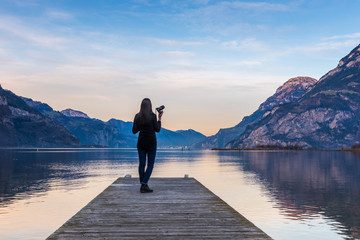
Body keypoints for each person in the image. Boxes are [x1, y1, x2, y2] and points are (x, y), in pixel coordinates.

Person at [132, 98, 163, 193]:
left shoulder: (137, 116)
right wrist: (159, 118)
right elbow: (157, 129)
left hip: (141, 143)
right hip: (151, 143)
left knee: (141, 164)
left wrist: (139, 124)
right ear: (150, 106)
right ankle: (144, 184)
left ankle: (143, 184)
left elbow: (134, 131)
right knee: (150, 165)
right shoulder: (153, 116)